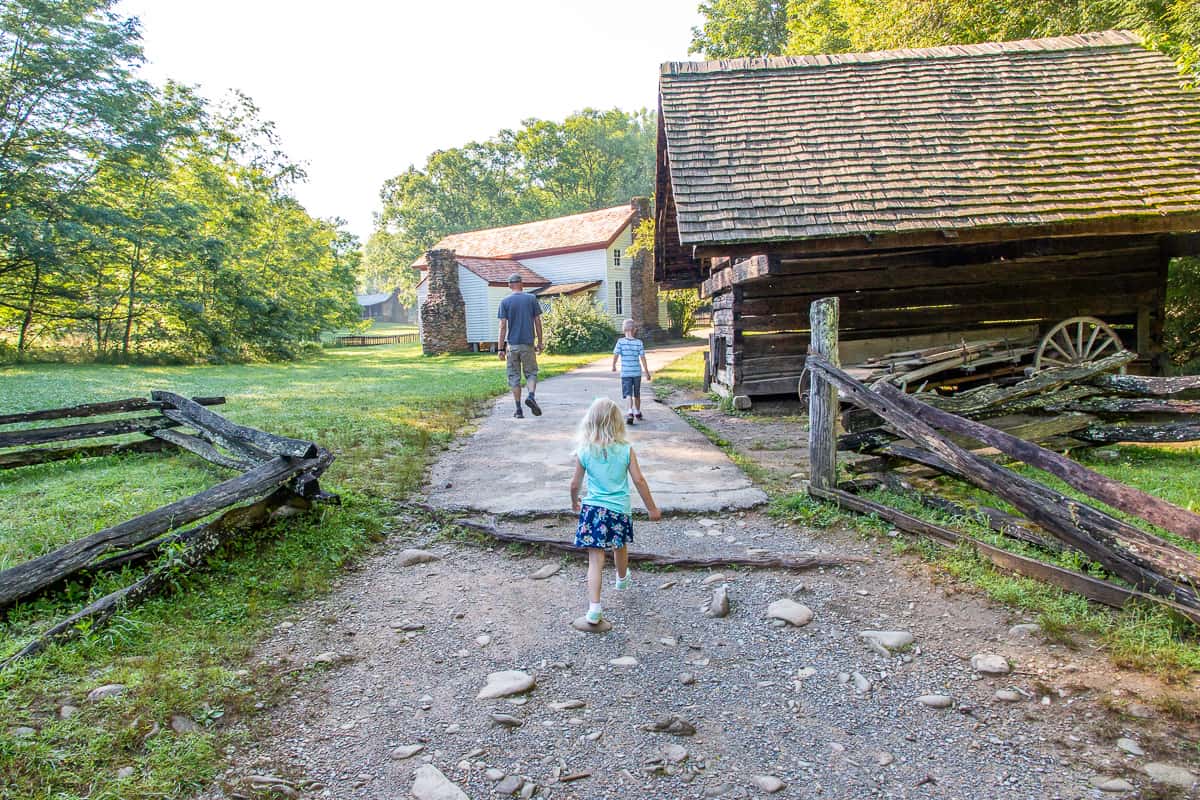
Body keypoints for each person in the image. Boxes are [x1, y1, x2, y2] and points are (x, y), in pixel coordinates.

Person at [569, 397, 661, 626]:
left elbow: (574, 484)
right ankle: (621, 578)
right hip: (619, 510)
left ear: (590, 422)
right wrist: (652, 508)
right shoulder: (626, 449)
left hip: (593, 510)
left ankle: (594, 609)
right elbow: (639, 480)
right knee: (620, 546)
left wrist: (574, 503)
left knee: (595, 559)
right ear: (618, 422)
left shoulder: (585, 450)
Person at [496, 273, 543, 419]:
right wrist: (540, 342)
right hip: (528, 344)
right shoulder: (531, 299)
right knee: (531, 373)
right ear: (522, 284)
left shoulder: (505, 302)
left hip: (513, 345)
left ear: (509, 285)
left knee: (514, 377)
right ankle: (531, 396)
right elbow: (537, 321)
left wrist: (500, 348)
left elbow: (503, 326)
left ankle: (518, 410)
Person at [612, 319, 652, 425]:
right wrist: (647, 372)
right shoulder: (639, 343)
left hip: (626, 373)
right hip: (636, 373)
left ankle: (630, 412)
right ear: (633, 330)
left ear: (624, 329)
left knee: (628, 393)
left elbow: (616, 354)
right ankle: (637, 412)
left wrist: (614, 365)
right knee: (637, 393)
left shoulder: (620, 342)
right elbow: (643, 358)